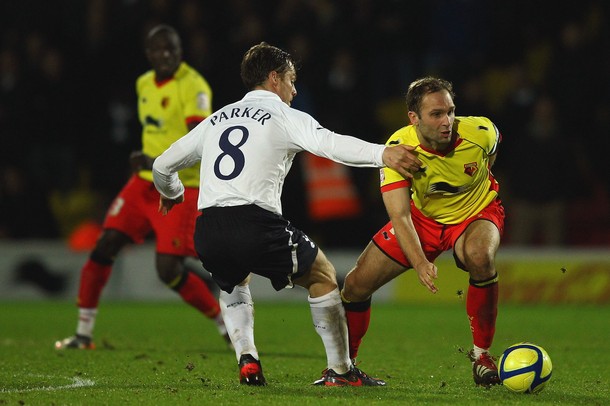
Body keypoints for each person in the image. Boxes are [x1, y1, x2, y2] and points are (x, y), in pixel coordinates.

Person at [152, 42, 421, 386]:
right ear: (274, 78)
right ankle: (341, 371)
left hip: (208, 228)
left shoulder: (216, 119)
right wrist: (383, 153)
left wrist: (172, 193)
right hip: (254, 223)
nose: (294, 90)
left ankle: (247, 359)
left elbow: (162, 165)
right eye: (292, 81)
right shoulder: (283, 116)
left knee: (233, 283)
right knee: (323, 274)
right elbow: (331, 144)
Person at [55, 25, 230, 350]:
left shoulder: (194, 86)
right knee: (104, 245)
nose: (165, 55)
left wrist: (154, 161)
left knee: (167, 270)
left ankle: (222, 321)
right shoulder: (144, 83)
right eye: (158, 50)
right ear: (148, 54)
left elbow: (201, 145)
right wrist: (147, 164)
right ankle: (82, 334)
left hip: (179, 187)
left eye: (171, 49)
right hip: (142, 185)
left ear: (180, 51)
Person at [340, 77, 505, 387]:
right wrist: (419, 262)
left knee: (479, 256)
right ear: (413, 119)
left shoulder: (480, 131)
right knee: (355, 285)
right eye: (437, 114)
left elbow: (492, 151)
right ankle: (344, 366)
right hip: (421, 221)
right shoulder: (399, 150)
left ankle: (482, 356)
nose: (448, 122)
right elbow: (399, 215)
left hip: (476, 211)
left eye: (451, 111)